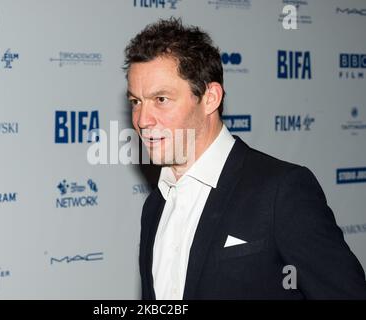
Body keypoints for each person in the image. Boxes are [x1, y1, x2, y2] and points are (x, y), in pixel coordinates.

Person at [124, 17, 366, 300]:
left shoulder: (281, 191)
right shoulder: (156, 205)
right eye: (135, 102)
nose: (142, 119)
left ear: (210, 98)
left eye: (161, 99)